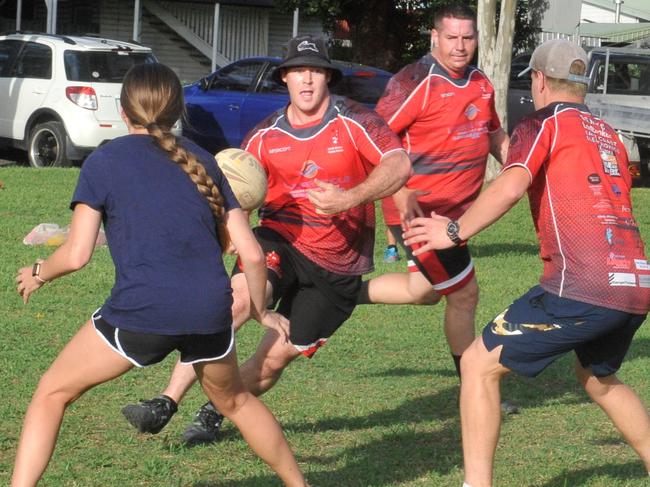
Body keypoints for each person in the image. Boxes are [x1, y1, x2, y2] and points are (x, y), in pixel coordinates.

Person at [12, 63, 308, 487]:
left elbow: (77, 255)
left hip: (143, 312)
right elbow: (253, 256)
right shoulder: (205, 160)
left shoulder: (104, 161)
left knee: (51, 394)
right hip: (209, 313)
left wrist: (39, 272)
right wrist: (260, 312)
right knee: (237, 403)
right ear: (178, 109)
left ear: (123, 109)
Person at [120, 35, 411, 445]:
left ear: (327, 76)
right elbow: (235, 193)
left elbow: (399, 164)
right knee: (234, 302)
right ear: (286, 78)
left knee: (273, 359)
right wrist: (228, 234)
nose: (306, 81)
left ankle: (215, 410)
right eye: (298, 72)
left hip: (338, 267)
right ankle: (165, 401)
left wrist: (350, 197)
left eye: (314, 71)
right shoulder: (263, 135)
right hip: (281, 240)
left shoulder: (356, 121)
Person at [403, 39, 650, 487]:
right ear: (582, 84)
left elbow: (511, 186)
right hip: (633, 284)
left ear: (537, 80)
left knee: (477, 365)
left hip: (583, 284)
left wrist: (452, 230)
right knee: (598, 377)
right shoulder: (607, 134)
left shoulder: (543, 123)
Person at [357, 3, 509, 386]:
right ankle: (472, 386)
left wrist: (521, 167)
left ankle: (340, 292)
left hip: (457, 216)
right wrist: (401, 189)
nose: (460, 46)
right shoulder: (415, 81)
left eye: (468, 37)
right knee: (465, 296)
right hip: (420, 214)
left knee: (423, 290)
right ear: (434, 37)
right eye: (452, 37)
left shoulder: (480, 82)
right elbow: (371, 139)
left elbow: (492, 134)